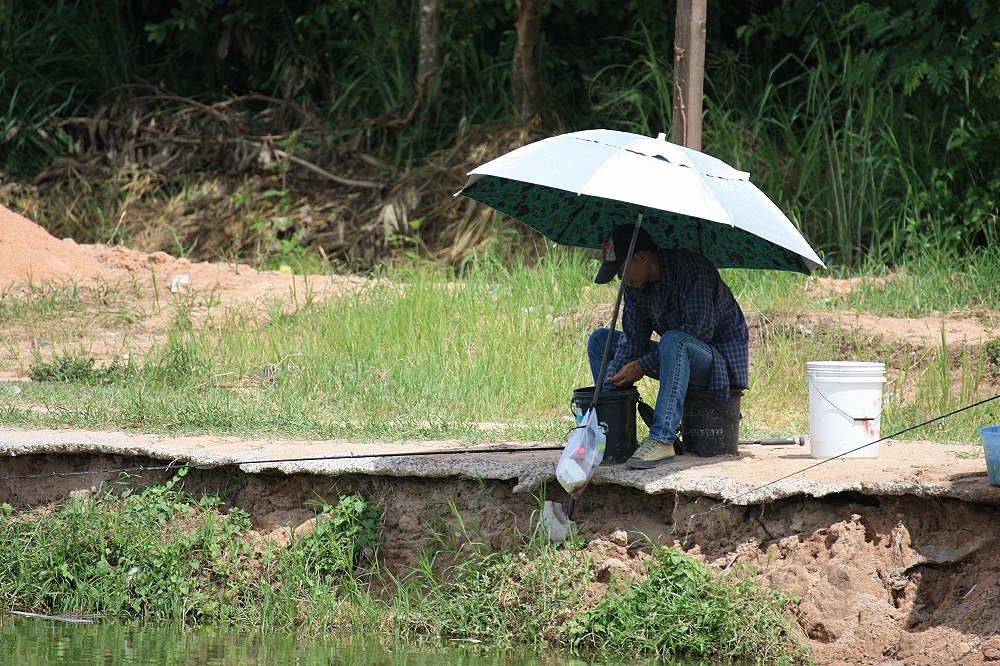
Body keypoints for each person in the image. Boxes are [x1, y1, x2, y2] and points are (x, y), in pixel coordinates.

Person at [588, 224, 749, 469]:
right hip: (676, 353)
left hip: (717, 363)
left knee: (674, 339)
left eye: (621, 271)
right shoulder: (636, 289)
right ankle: (611, 431)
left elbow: (699, 332)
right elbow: (633, 340)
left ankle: (662, 438)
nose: (622, 281)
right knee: (601, 340)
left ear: (642, 257)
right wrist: (608, 388)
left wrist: (642, 365)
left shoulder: (692, 270)